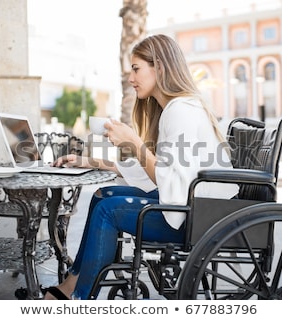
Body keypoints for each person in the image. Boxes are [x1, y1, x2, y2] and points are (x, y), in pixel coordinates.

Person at [44, 34, 239, 300]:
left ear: (159, 67)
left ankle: (78, 297)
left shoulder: (181, 110)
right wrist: (92, 161)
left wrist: (134, 143)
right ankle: (73, 283)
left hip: (196, 218)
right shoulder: (175, 108)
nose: (131, 78)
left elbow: (164, 177)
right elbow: (163, 172)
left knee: (108, 211)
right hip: (189, 205)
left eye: (136, 69)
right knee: (105, 195)